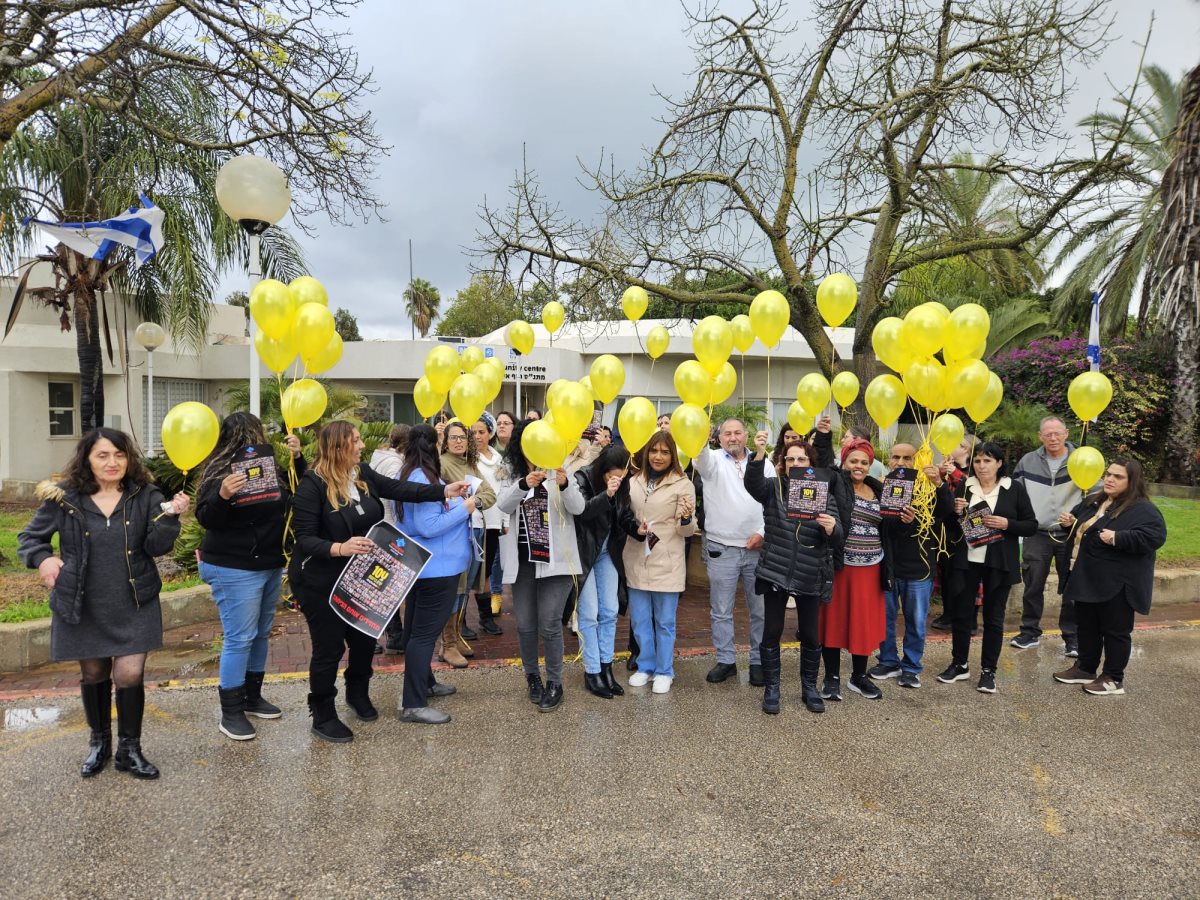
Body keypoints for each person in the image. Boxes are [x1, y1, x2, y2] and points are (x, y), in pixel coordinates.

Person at [19, 429, 187, 779]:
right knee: (93, 673)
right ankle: (99, 743)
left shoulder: (146, 495)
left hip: (134, 600)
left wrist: (171, 518)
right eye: (103, 455)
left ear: (129, 458)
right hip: (83, 602)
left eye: (120, 455)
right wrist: (44, 559)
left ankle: (130, 749)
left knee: (130, 673)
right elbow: (30, 538)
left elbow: (156, 547)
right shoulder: (63, 497)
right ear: (87, 459)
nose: (113, 462)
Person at [289, 421, 466, 742]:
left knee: (364, 640)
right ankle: (323, 713)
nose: (361, 446)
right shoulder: (312, 485)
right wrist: (339, 548)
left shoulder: (363, 474)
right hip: (322, 581)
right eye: (355, 441)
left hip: (363, 578)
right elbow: (304, 538)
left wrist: (442, 490)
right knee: (329, 648)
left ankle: (357, 693)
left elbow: (400, 489)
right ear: (338, 447)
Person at [194, 414, 304, 741]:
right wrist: (222, 495)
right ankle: (230, 712)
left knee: (260, 634)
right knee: (239, 637)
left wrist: (298, 459)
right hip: (233, 566)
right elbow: (207, 519)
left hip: (268, 562)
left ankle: (252, 697)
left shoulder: (269, 469)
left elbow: (298, 494)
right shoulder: (218, 472)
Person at [745, 431, 842, 714]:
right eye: (790, 459)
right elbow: (752, 484)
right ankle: (772, 688)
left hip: (810, 574)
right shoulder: (773, 488)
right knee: (772, 632)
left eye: (801, 459)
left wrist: (831, 528)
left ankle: (809, 687)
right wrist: (758, 454)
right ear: (783, 463)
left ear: (810, 464)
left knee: (810, 635)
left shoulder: (824, 494)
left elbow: (839, 537)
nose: (796, 463)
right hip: (776, 572)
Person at [1052, 459, 1167, 695]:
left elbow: (1155, 537)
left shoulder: (1143, 509)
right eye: (1109, 474)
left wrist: (1117, 537)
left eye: (1118, 476)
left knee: (1115, 631)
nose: (1110, 479)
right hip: (1086, 577)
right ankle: (1085, 668)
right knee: (1087, 627)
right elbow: (1082, 528)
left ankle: (1113, 678)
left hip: (1117, 583)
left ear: (1132, 481)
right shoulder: (1094, 501)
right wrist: (1070, 524)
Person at [495, 420, 585, 712]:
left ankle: (555, 683)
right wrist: (523, 485)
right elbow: (502, 505)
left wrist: (565, 484)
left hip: (556, 562)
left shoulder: (561, 468)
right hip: (523, 561)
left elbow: (578, 508)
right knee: (525, 624)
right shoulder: (511, 472)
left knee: (549, 622)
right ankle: (532, 677)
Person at [937, 441, 1038, 694]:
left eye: (988, 461)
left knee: (994, 617)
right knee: (961, 614)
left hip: (999, 562)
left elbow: (1031, 525)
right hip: (967, 560)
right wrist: (955, 511)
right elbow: (950, 526)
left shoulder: (1013, 488)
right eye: (978, 461)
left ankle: (988, 670)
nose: (982, 466)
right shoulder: (965, 485)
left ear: (999, 463)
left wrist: (1007, 523)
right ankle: (959, 664)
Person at [397, 425, 477, 724]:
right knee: (423, 636)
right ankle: (413, 704)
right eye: (441, 440)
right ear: (431, 445)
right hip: (437, 567)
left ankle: (426, 684)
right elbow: (429, 525)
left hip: (425, 564)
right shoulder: (422, 477)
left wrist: (452, 497)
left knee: (415, 632)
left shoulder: (410, 473)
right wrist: (465, 508)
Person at [868, 443, 957, 689]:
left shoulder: (928, 486)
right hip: (888, 566)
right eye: (896, 457)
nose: (900, 462)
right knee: (884, 620)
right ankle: (888, 661)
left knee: (916, 622)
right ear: (889, 460)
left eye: (907, 458)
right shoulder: (881, 486)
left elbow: (946, 510)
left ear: (916, 460)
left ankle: (911, 667)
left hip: (919, 568)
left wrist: (938, 483)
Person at [693, 418, 767, 686]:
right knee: (721, 609)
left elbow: (773, 501)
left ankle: (758, 661)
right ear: (719, 437)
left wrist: (763, 533)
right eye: (727, 433)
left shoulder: (764, 462)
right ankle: (726, 660)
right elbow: (700, 459)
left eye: (737, 433)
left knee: (760, 610)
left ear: (746, 435)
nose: (733, 438)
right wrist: (700, 436)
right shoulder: (711, 459)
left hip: (757, 548)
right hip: (721, 548)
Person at [623, 433, 696, 694]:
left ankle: (665, 670)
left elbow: (686, 530)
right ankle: (646, 666)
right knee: (640, 620)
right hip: (636, 558)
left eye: (665, 452)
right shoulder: (633, 481)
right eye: (654, 451)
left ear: (673, 455)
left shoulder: (683, 484)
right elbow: (624, 515)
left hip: (667, 561)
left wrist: (686, 518)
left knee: (665, 622)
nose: (658, 456)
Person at [819, 439, 888, 701]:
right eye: (853, 461)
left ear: (870, 465)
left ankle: (858, 677)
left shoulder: (879, 490)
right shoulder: (836, 484)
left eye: (864, 462)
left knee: (863, 624)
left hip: (871, 568)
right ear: (844, 462)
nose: (858, 466)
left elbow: (889, 528)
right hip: (840, 567)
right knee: (833, 623)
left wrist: (905, 520)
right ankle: (832, 678)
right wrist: (823, 438)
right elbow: (824, 466)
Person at [1011, 416, 1083, 655]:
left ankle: (1072, 638)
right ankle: (1029, 632)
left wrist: (1077, 518)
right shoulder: (1027, 461)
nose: (1053, 438)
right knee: (1032, 585)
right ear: (1040, 436)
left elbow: (1096, 496)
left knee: (1072, 587)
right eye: (1048, 434)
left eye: (1057, 433)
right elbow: (1016, 495)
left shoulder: (1082, 460)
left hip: (1069, 534)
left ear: (1066, 434)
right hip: (1037, 533)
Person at [574, 444, 634, 698]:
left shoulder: (625, 483)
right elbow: (583, 512)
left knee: (609, 610)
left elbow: (624, 516)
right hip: (585, 552)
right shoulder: (583, 477)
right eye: (612, 475)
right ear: (603, 469)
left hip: (608, 551)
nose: (617, 480)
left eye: (621, 476)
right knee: (589, 613)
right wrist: (607, 495)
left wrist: (639, 529)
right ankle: (592, 671)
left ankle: (606, 667)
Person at [437, 419, 497, 667]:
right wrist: (467, 502)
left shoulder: (470, 464)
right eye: (453, 437)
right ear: (445, 441)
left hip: (475, 532)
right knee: (455, 587)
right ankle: (447, 644)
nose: (459, 441)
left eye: (463, 437)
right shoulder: (441, 464)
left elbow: (490, 494)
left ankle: (456, 637)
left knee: (465, 588)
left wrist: (474, 501)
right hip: (454, 535)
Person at [368, 423, 410, 654]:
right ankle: (387, 635)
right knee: (384, 585)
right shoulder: (393, 464)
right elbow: (397, 494)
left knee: (383, 583)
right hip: (388, 527)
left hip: (380, 526)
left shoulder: (380, 457)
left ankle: (390, 634)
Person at [930, 434, 973, 631]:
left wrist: (954, 472)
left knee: (964, 575)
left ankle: (966, 617)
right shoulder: (946, 469)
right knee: (946, 574)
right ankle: (948, 614)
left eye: (954, 443)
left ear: (965, 449)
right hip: (945, 529)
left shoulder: (972, 470)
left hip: (966, 531)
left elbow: (973, 487)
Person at [470, 413, 506, 636]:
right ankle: (461, 620)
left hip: (494, 521)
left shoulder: (498, 458)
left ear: (490, 433)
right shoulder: (468, 458)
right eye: (473, 432)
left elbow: (503, 490)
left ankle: (485, 618)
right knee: (470, 570)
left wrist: (504, 520)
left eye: (481, 432)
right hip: (474, 521)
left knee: (486, 571)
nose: (477, 436)